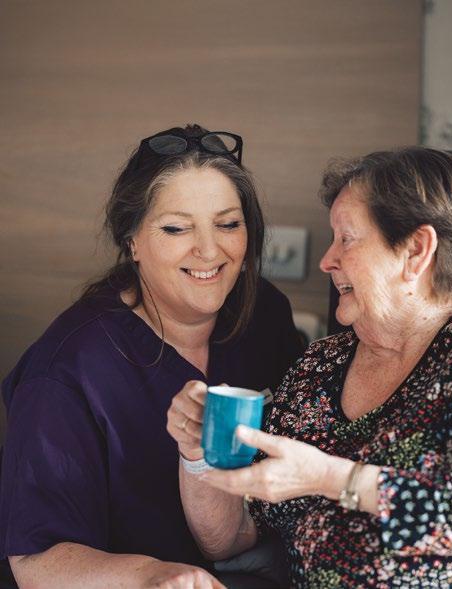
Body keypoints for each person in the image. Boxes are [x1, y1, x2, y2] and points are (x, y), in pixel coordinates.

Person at [168, 147, 452, 588]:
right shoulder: (317, 368)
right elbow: (231, 538)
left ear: (416, 251)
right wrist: (196, 454)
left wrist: (328, 477)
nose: (326, 261)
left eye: (346, 239)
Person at [0, 124, 303, 588]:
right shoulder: (67, 370)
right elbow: (36, 562)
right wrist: (152, 575)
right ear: (133, 241)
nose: (209, 250)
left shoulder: (263, 312)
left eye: (227, 224)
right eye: (176, 228)